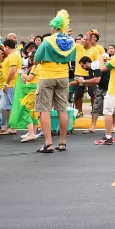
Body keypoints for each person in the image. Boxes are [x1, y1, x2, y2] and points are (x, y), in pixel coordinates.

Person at [33, 10, 76, 154]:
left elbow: (37, 59)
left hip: (46, 76)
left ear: (54, 27)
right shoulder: (71, 41)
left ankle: (48, 143)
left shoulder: (48, 41)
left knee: (44, 109)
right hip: (63, 77)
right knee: (62, 109)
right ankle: (63, 142)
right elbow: (71, 59)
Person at [89, 45, 115, 134]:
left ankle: (114, 126)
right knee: (96, 107)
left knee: (112, 108)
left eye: (111, 48)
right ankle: (93, 125)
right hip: (100, 87)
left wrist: (107, 60)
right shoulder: (99, 63)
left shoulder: (114, 60)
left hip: (110, 88)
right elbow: (93, 66)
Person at [0, 39, 20, 135]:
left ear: (7, 46)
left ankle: (12, 127)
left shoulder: (13, 55)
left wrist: (6, 84)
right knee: (6, 106)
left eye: (4, 47)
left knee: (11, 106)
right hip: (9, 84)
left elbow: (12, 70)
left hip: (11, 84)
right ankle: (7, 125)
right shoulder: (13, 55)